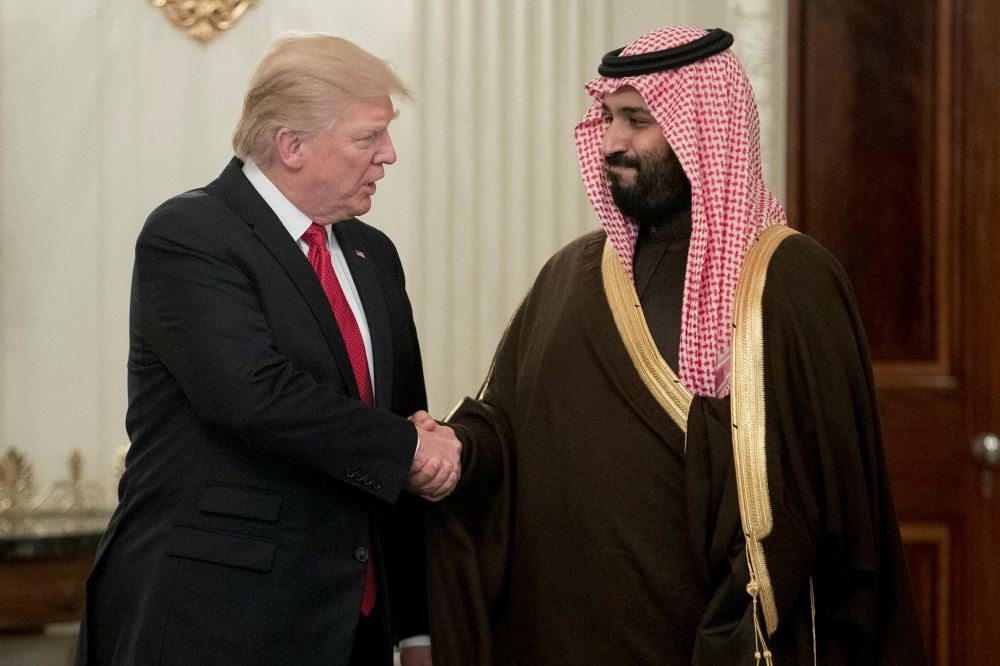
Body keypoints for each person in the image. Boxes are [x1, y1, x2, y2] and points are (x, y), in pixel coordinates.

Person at [416, 25, 926, 665]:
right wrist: (455, 450)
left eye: (637, 120)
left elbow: (802, 498)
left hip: (706, 640)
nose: (612, 142)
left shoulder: (788, 281)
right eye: (607, 118)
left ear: (702, 131)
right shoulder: (570, 275)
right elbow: (511, 433)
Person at [75, 33, 460, 666]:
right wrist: (412, 448)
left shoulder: (372, 254)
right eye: (369, 137)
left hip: (353, 626)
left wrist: (414, 628)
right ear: (292, 145)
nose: (388, 155)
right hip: (217, 619)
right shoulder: (191, 234)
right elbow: (253, 395)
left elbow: (397, 426)